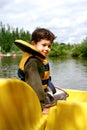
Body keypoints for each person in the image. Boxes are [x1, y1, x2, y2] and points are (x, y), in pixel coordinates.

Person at [15, 28, 68, 112]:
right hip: (33, 99)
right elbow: (34, 85)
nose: (47, 49)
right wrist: (43, 106)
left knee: (60, 93)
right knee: (63, 96)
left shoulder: (37, 59)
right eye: (44, 45)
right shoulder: (33, 63)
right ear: (33, 44)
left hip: (38, 94)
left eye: (49, 46)